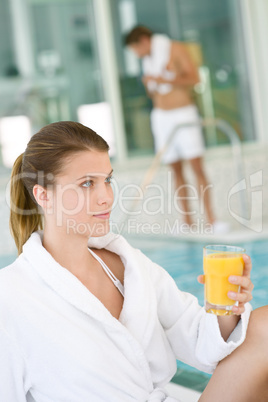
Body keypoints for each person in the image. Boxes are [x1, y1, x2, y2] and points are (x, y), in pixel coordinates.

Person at [0, 120, 267, 402]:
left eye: (107, 180)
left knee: (263, 325)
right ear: (44, 196)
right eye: (87, 184)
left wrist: (226, 304)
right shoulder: (12, 296)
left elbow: (201, 341)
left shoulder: (128, 265)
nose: (106, 197)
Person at [125, 26, 228, 234]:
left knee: (197, 167)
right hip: (162, 117)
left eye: (136, 48)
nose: (136, 54)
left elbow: (195, 79)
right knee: (175, 169)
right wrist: (152, 83)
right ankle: (187, 221)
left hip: (183, 114)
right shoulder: (148, 60)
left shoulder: (176, 49)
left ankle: (212, 219)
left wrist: (164, 79)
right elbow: (154, 90)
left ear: (144, 40)